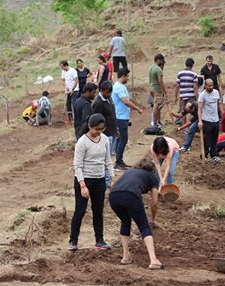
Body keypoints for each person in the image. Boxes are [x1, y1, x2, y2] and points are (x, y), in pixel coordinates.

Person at [109, 157, 164, 269]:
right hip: (131, 195)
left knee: (125, 221)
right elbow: (154, 202)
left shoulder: (129, 171)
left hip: (113, 196)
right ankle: (153, 260)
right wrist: (153, 219)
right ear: (152, 169)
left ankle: (125, 256)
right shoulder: (153, 177)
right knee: (144, 226)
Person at [69, 113, 113, 252]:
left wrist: (111, 177)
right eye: (96, 129)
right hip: (85, 179)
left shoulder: (105, 139)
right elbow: (77, 165)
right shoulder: (82, 142)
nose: (98, 132)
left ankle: (99, 240)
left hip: (99, 180)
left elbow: (108, 160)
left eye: (101, 129)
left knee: (98, 211)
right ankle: (73, 240)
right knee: (80, 210)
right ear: (89, 127)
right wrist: (82, 185)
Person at [112, 68, 143, 170]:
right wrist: (137, 108)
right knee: (123, 139)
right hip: (120, 117)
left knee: (120, 139)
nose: (128, 79)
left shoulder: (118, 86)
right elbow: (125, 101)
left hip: (121, 116)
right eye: (127, 76)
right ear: (123, 76)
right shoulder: (119, 87)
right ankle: (118, 162)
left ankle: (119, 161)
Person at [92, 80, 117, 187]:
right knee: (106, 158)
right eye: (107, 92)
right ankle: (105, 180)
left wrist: (116, 130)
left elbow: (112, 115)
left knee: (109, 157)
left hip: (112, 132)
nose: (109, 94)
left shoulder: (109, 99)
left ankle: (107, 179)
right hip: (105, 134)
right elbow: (96, 120)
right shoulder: (98, 103)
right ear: (101, 91)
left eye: (110, 92)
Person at [198, 78, 222, 162]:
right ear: (205, 86)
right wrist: (200, 121)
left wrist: (221, 114)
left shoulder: (216, 92)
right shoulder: (202, 95)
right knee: (206, 139)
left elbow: (219, 104)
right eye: (209, 86)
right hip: (206, 120)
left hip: (215, 120)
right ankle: (204, 154)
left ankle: (213, 155)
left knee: (214, 139)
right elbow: (200, 108)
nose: (211, 87)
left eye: (212, 85)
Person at [149, 53, 168, 127]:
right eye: (162, 61)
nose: (163, 63)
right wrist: (164, 92)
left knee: (158, 105)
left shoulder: (151, 67)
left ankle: (158, 121)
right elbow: (160, 81)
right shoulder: (158, 69)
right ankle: (154, 123)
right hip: (157, 89)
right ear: (159, 60)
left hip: (151, 88)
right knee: (157, 106)